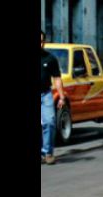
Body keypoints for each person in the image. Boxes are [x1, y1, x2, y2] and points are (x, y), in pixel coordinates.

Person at [41, 30, 66, 165]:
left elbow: (57, 78)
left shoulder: (50, 59)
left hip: (46, 95)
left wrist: (61, 96)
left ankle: (48, 153)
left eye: (41, 41)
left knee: (49, 122)